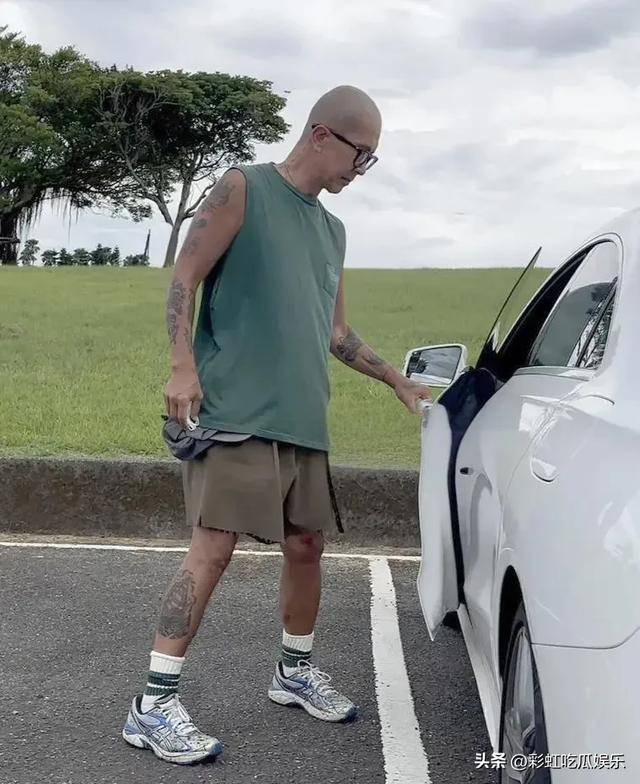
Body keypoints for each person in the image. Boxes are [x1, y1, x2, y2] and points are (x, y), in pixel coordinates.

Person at [122, 85, 432, 765]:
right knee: (213, 549)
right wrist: (181, 365)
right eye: (360, 154)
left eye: (371, 159)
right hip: (238, 413)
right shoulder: (244, 188)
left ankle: (293, 671)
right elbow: (185, 276)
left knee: (307, 547)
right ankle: (152, 704)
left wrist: (396, 380)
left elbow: (336, 332)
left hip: (302, 419)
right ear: (321, 135)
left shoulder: (332, 231)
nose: (361, 169)